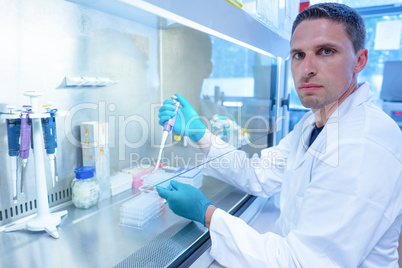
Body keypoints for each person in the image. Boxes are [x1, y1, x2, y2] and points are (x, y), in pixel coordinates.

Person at [156, 3, 402, 267]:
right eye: (298, 55)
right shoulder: (313, 122)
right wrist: (200, 132)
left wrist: (207, 215)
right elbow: (259, 174)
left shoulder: (364, 145)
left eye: (326, 51)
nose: (307, 68)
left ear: (360, 60)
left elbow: (302, 263)